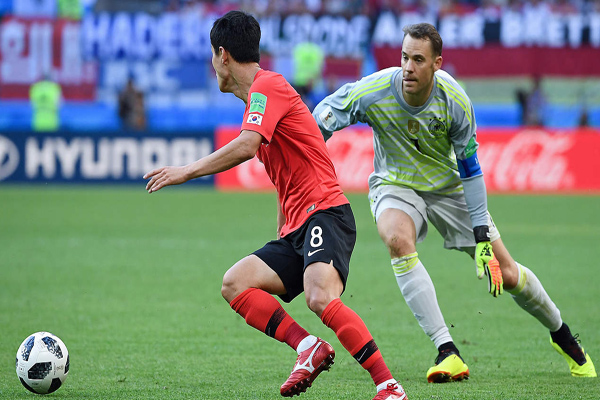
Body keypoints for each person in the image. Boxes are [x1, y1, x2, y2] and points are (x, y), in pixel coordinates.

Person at [144, 11, 408, 400]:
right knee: (235, 284)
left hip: (326, 213)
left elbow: (248, 146)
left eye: (212, 56)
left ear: (223, 55)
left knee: (319, 297)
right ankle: (308, 348)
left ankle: (389, 387)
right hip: (297, 227)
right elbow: (286, 175)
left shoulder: (269, 87)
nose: (212, 64)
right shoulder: (259, 99)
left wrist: (186, 171)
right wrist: (283, 226)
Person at [313, 22, 596, 383]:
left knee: (508, 274)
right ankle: (448, 350)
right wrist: (300, 153)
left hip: (449, 190)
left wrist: (481, 234)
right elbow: (320, 122)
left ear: (437, 64)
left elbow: (470, 170)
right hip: (395, 186)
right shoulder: (373, 91)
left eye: (418, 59)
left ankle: (563, 335)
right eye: (404, 57)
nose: (408, 67)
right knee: (398, 240)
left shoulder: (455, 101)